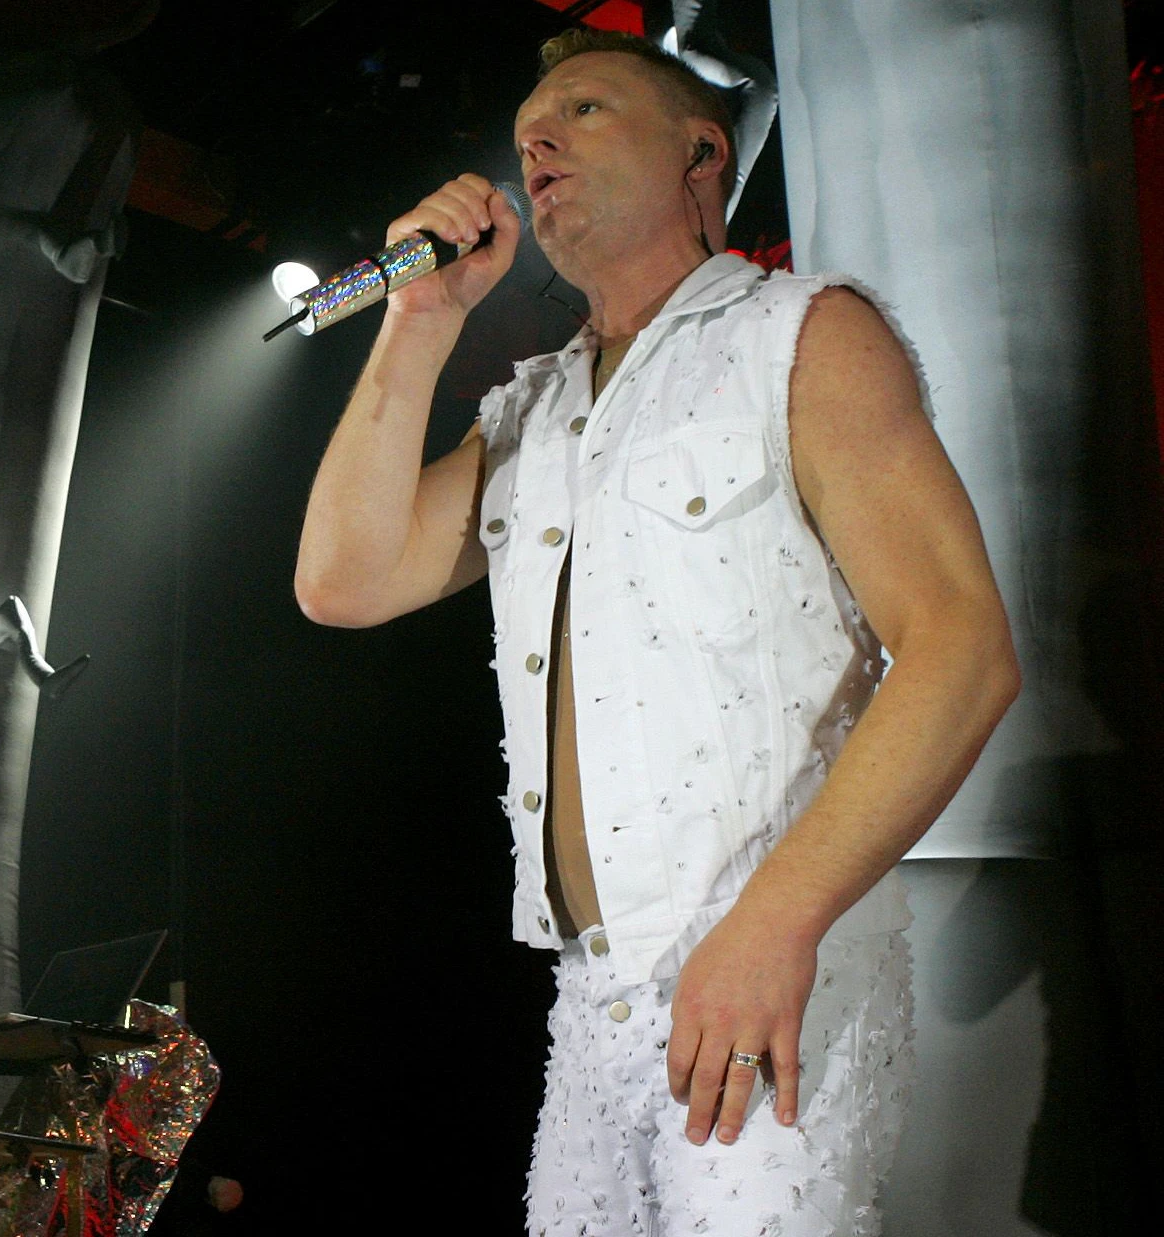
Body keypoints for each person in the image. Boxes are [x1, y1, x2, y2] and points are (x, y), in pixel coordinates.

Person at [293, 29, 1019, 1236]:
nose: (535, 139)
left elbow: (961, 646)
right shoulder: (533, 406)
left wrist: (777, 921)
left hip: (770, 958)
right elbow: (343, 580)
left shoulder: (799, 336)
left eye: (582, 109)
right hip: (593, 1005)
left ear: (699, 154)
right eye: (529, 124)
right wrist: (416, 318)